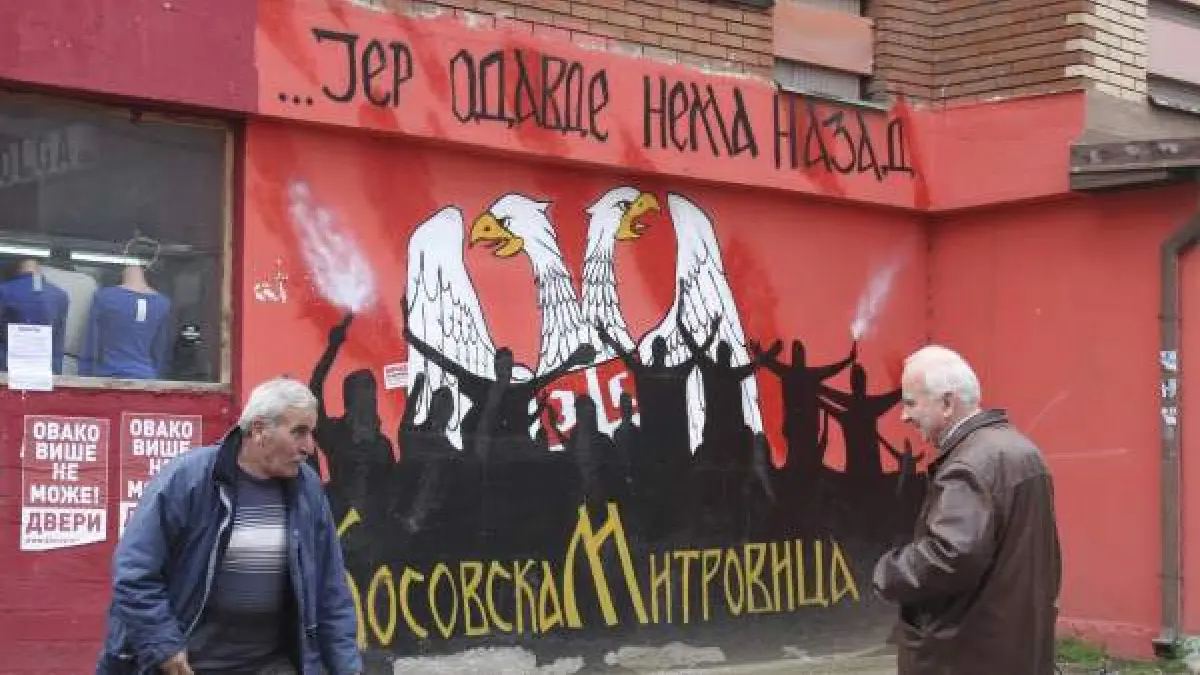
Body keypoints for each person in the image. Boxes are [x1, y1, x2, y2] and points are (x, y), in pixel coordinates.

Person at [96, 377, 362, 675]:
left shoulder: (307, 489)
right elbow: (134, 571)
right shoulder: (190, 479)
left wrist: (347, 668)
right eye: (299, 432)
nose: (309, 447)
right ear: (259, 430)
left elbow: (330, 590)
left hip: (272, 666)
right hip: (191, 666)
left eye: (311, 433)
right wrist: (163, 644)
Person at [872, 345, 1061, 674]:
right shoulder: (1022, 450)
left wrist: (888, 572)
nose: (904, 416)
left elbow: (950, 555)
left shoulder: (969, 464)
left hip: (965, 654)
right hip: (1018, 647)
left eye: (911, 403)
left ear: (947, 404)